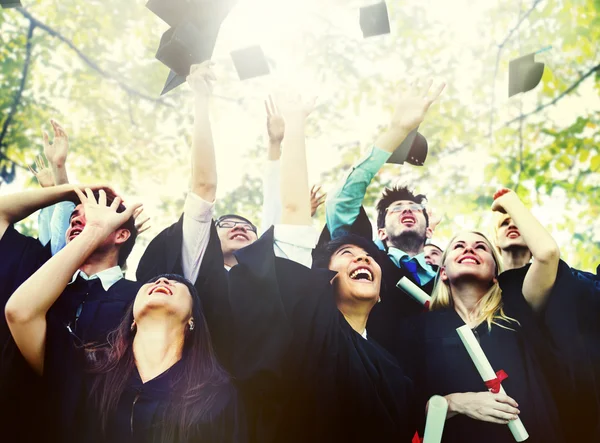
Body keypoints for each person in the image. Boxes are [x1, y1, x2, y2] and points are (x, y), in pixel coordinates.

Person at [5, 188, 244, 443]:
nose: (162, 282)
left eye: (95, 215)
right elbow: (19, 313)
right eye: (73, 217)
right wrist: (86, 213)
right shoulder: (87, 368)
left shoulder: (214, 398)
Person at [403, 188, 591, 442]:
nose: (469, 249)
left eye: (481, 247)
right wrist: (454, 402)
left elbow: (547, 255)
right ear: (443, 271)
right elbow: (403, 407)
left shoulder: (518, 308)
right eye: (458, 246)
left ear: (495, 272)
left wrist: (508, 202)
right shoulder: (418, 328)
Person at [323, 81, 445, 362]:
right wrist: (398, 131)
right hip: (373, 376)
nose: (407, 210)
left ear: (429, 229)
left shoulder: (447, 276)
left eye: (415, 208)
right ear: (380, 232)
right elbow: (341, 201)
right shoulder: (368, 260)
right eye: (395, 209)